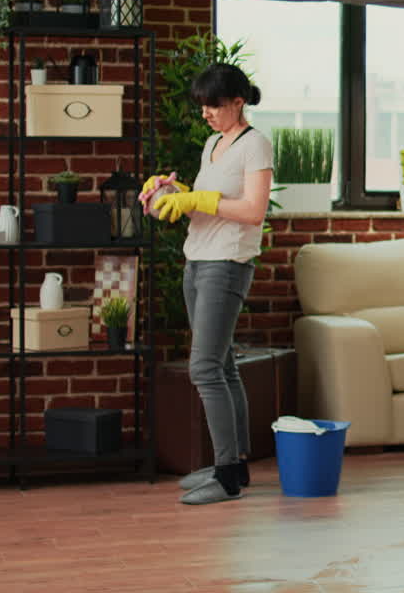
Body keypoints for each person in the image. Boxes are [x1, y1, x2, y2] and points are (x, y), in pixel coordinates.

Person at [147, 63, 273, 505]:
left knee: (203, 368)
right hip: (197, 260)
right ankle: (234, 464)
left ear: (238, 102)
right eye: (202, 106)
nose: (206, 113)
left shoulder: (254, 145)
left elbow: (253, 211)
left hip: (227, 264)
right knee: (221, 367)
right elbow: (206, 205)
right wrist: (170, 193)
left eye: (214, 105)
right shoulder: (213, 143)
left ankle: (226, 478)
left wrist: (199, 198)